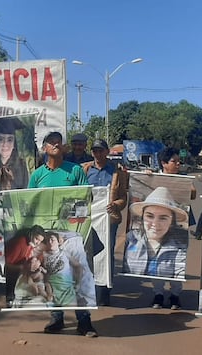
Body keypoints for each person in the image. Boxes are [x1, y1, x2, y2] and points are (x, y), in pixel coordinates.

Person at [28, 131, 97, 338]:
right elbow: (30, 203)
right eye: (51, 142)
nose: (55, 144)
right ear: (44, 148)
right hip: (48, 238)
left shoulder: (75, 171)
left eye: (59, 142)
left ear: (64, 147)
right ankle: (56, 318)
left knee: (79, 276)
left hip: (72, 234)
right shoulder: (37, 175)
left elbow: (87, 198)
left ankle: (84, 321)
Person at [123, 187, 188, 310]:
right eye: (149, 216)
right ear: (142, 217)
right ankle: (158, 295)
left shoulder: (179, 244)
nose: (155, 223)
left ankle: (174, 296)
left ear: (172, 221)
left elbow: (180, 269)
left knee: (175, 279)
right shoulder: (132, 238)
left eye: (163, 218)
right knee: (156, 277)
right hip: (154, 273)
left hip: (170, 272)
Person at [81, 139, 129, 306]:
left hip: (109, 219)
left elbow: (123, 197)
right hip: (88, 218)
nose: (98, 153)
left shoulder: (117, 171)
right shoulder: (84, 169)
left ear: (107, 151)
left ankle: (104, 293)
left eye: (101, 150)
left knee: (106, 253)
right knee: (87, 253)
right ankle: (88, 290)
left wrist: (115, 204)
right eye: (95, 150)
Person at [0, 117, 30, 195]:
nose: (5, 144)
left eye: (9, 140)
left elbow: (25, 194)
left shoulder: (21, 165)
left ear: (14, 145)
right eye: (1, 139)